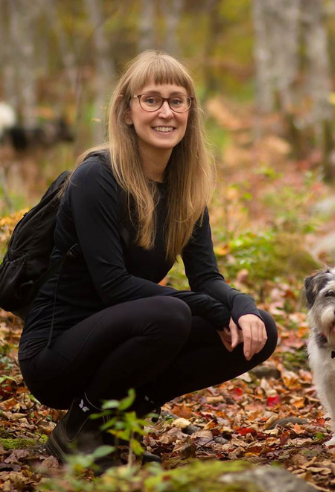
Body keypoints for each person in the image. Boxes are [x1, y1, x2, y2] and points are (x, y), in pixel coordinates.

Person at [17, 50, 277, 467]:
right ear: (126, 111)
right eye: (151, 99)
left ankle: (118, 423)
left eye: (178, 100)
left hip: (124, 334)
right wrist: (211, 310)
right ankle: (80, 428)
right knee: (168, 314)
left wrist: (242, 309)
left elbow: (207, 276)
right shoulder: (97, 177)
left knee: (259, 331)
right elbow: (114, 286)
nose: (166, 112)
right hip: (56, 352)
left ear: (190, 111)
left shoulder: (185, 188)